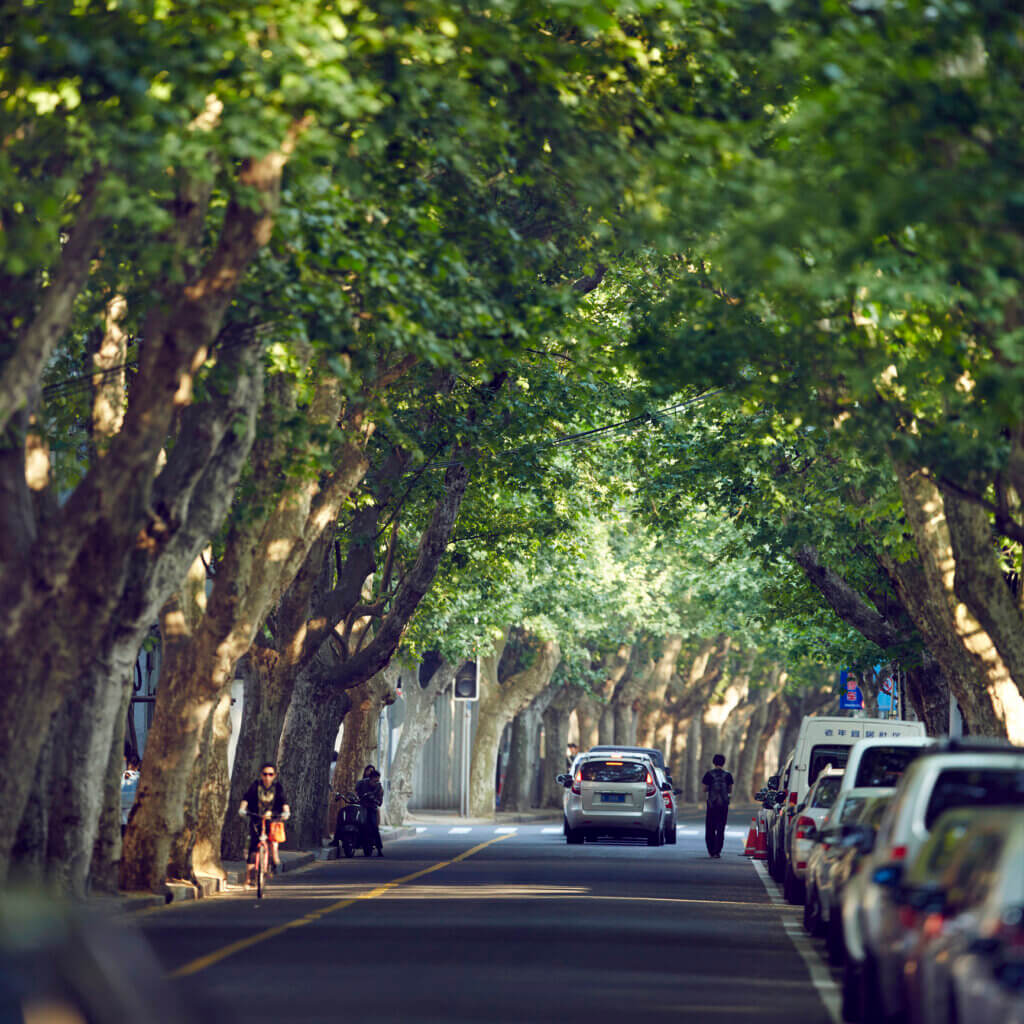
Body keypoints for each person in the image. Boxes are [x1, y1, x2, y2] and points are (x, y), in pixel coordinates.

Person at [238, 762, 290, 884]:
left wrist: (286, 812)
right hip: (257, 818)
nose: (267, 777)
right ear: (261, 775)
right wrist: (242, 809)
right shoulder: (255, 786)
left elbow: (284, 801)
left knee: (273, 842)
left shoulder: (278, 787)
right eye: (265, 774)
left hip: (272, 819)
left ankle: (272, 860)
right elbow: (246, 798)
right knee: (253, 847)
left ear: (274, 776)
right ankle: (248, 878)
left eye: (270, 774)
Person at [701, 753, 734, 859]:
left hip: (712, 804)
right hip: (723, 805)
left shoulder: (709, 774)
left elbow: (704, 789)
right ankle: (717, 851)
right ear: (724, 763)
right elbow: (730, 790)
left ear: (713, 762)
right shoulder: (728, 775)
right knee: (721, 828)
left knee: (710, 828)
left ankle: (711, 850)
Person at [356, 765, 384, 856]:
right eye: (375, 780)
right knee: (359, 823)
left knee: (374, 827)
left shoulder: (379, 787)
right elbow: (356, 792)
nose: (376, 782)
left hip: (372, 807)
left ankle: (379, 849)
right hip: (362, 806)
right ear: (370, 778)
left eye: (378, 780)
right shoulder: (361, 783)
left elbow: (380, 801)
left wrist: (376, 800)